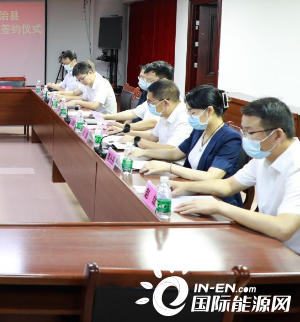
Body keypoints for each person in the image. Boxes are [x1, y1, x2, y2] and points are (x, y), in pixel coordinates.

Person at [172, 98, 300, 254]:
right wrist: (185, 186)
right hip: (269, 242)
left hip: (291, 255)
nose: (245, 139)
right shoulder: (265, 156)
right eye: (243, 132)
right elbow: (228, 185)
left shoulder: (296, 166)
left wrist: (219, 207)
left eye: (250, 132)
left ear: (277, 135)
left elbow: (283, 228)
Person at [131, 85, 243, 206]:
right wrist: (143, 152)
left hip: (216, 200)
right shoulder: (200, 130)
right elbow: (175, 153)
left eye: (192, 112)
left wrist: (169, 167)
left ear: (209, 111)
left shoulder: (230, 138)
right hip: (191, 189)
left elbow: (211, 176)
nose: (189, 117)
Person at [118, 80, 192, 155]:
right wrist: (124, 132)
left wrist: (136, 141)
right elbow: (153, 137)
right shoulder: (165, 112)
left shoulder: (184, 119)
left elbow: (170, 149)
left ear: (165, 103)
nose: (149, 106)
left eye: (151, 103)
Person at [102, 61, 174, 132]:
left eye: (150, 80)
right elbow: (133, 113)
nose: (147, 83)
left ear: (163, 80)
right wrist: (104, 117)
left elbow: (152, 123)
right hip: (143, 135)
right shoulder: (153, 95)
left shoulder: (170, 98)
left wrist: (123, 128)